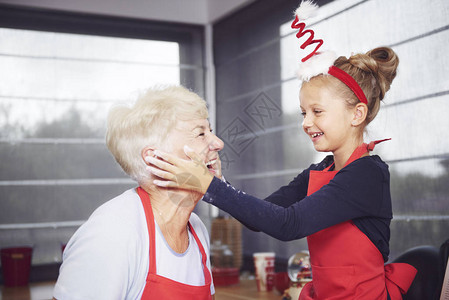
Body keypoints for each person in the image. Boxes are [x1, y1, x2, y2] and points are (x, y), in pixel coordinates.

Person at [145, 46, 417, 300]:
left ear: (357, 114)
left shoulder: (367, 174)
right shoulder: (320, 171)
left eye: (317, 112)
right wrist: (219, 182)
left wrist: (209, 187)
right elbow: (264, 216)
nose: (306, 123)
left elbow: (289, 224)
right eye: (303, 113)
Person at [53, 85, 223, 300]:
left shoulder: (197, 230)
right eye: (200, 133)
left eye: (210, 131)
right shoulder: (113, 233)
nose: (218, 143)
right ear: (156, 159)